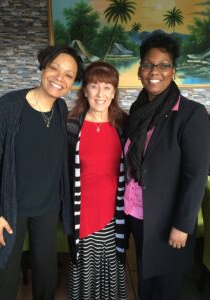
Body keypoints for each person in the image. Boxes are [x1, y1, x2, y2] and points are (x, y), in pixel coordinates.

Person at [0, 45, 83, 300]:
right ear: (43, 67)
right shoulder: (9, 105)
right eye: (54, 68)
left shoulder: (61, 109)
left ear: (73, 82)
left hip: (48, 208)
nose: (59, 78)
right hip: (9, 210)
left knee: (46, 273)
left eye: (69, 75)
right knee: (3, 275)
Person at [124, 32, 210, 300]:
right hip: (136, 213)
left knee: (166, 285)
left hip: (168, 219)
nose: (154, 71)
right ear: (139, 70)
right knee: (146, 279)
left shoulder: (190, 113)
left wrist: (183, 225)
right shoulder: (135, 112)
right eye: (149, 64)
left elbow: (195, 175)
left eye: (163, 65)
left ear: (173, 71)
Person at [67, 61, 127, 299]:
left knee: (111, 269)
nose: (100, 94)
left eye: (107, 87)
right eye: (94, 86)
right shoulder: (72, 125)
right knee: (84, 270)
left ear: (114, 92)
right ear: (85, 90)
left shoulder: (124, 123)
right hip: (82, 212)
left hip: (114, 212)